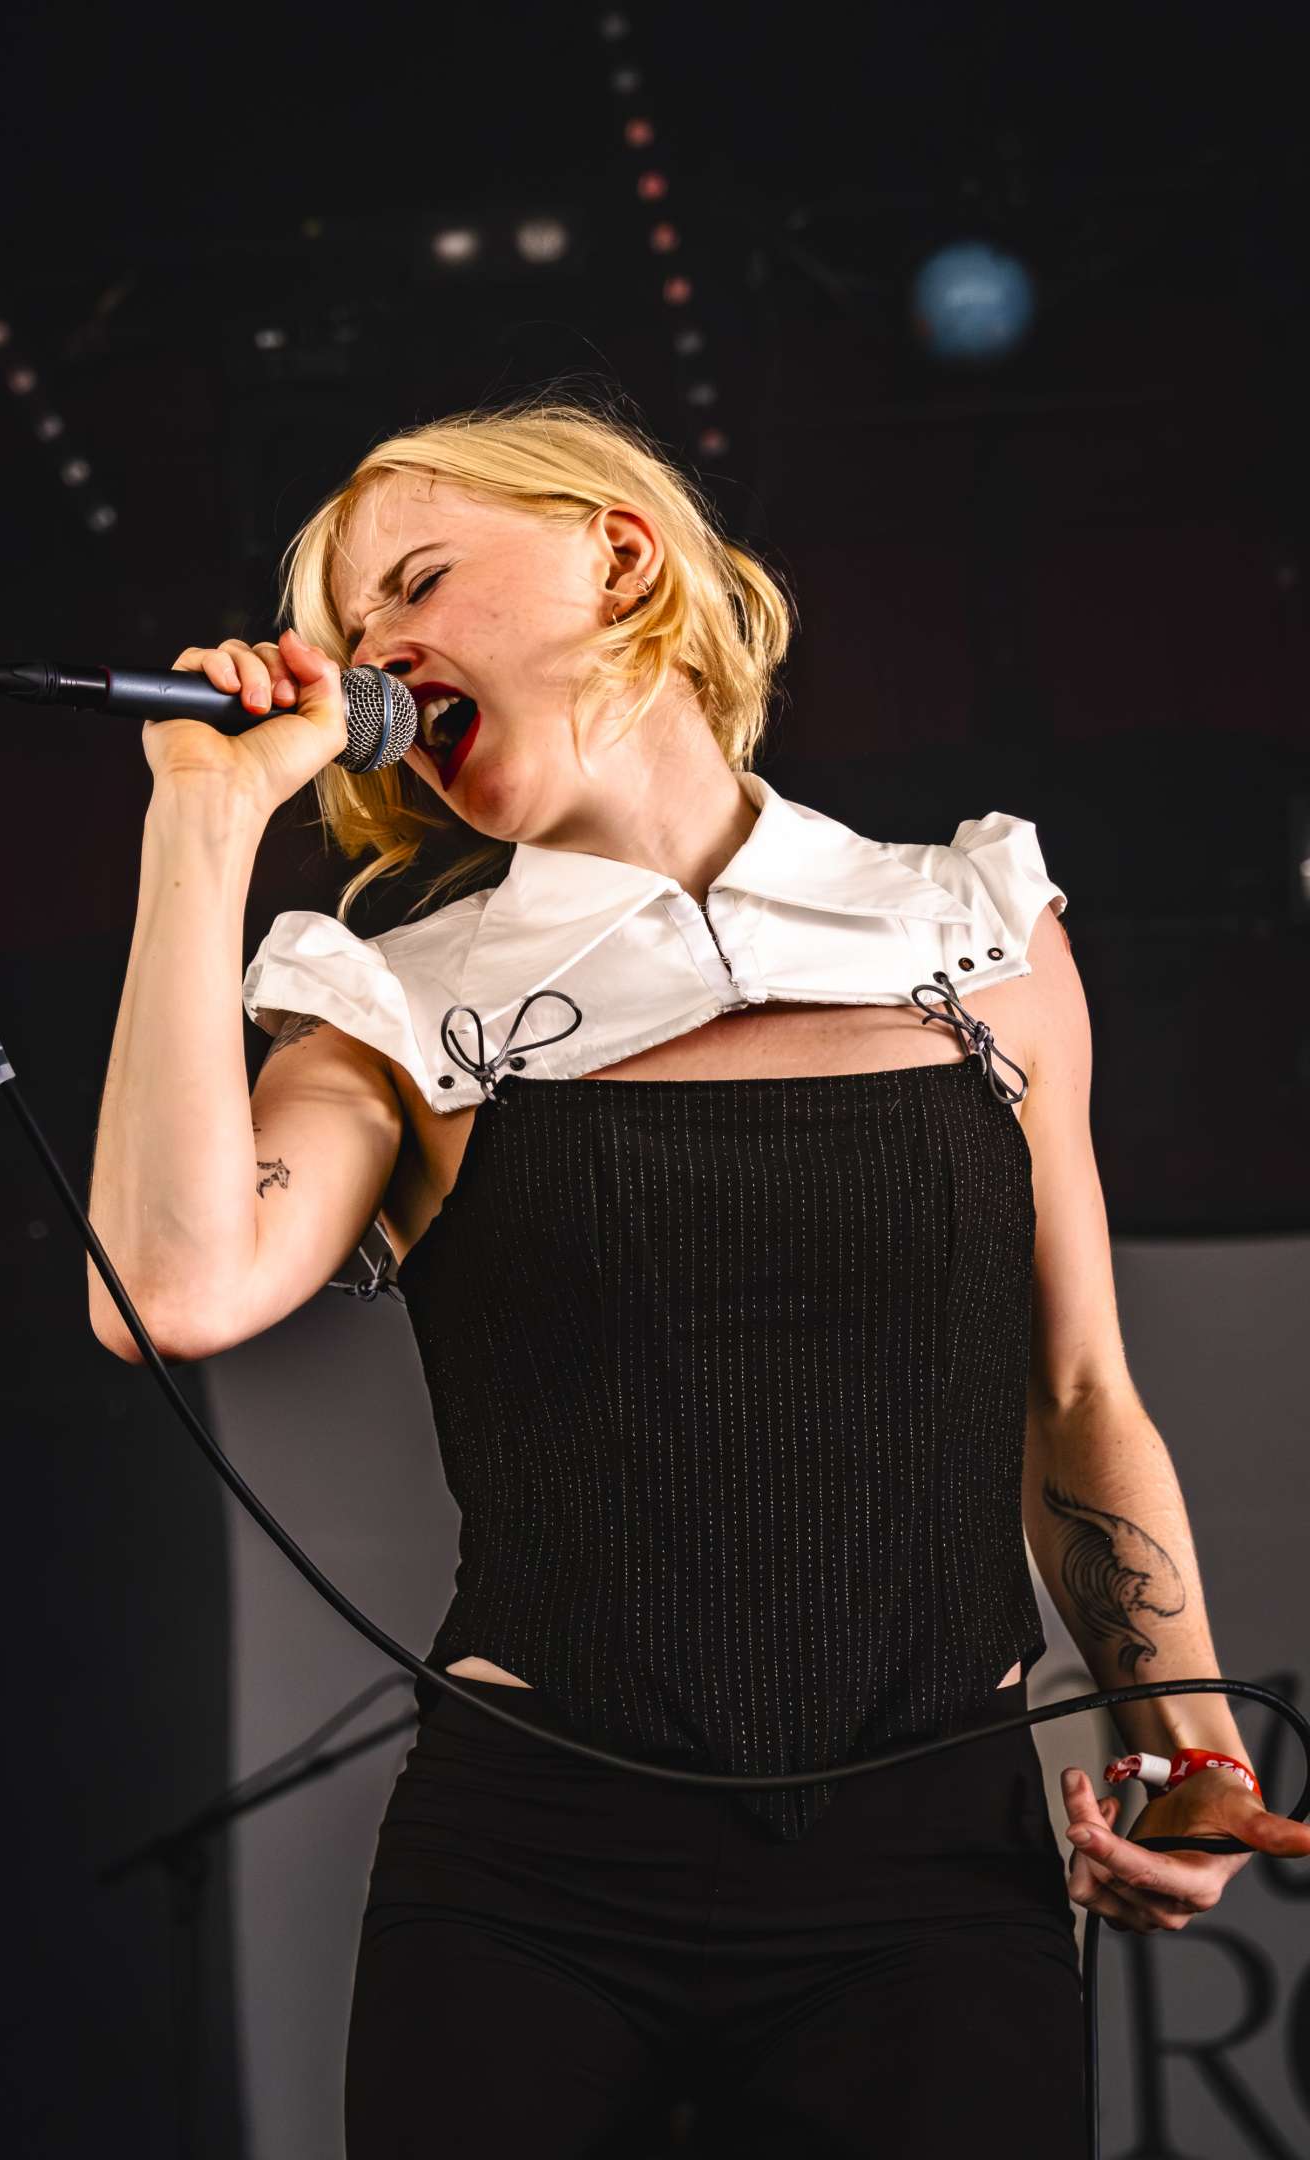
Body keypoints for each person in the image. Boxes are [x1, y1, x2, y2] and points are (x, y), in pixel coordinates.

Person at [89, 393, 1282, 2158]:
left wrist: (1194, 1749)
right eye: (349, 633)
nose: (372, 654)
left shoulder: (970, 932)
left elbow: (1077, 1392)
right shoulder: (395, 998)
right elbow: (168, 1293)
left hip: (932, 1875)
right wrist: (198, 829)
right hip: (532, 1876)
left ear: (623, 557)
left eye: (416, 582)